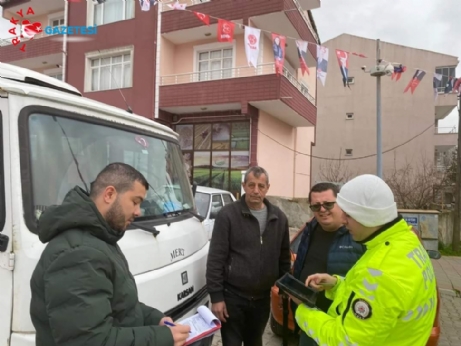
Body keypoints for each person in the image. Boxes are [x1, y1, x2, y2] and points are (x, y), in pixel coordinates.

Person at [30, 163, 191, 346]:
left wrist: (155, 319)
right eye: (135, 202)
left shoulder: (100, 239)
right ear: (109, 194)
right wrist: (163, 338)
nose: (138, 212)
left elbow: (120, 306)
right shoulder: (78, 254)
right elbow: (89, 341)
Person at [292, 174, 437, 346]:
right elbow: (367, 290)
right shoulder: (405, 240)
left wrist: (302, 310)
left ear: (367, 215)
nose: (344, 221)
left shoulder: (381, 272)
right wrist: (336, 285)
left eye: (349, 215)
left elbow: (344, 341)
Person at [206, 166, 291, 346]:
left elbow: (284, 259)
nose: (256, 190)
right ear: (244, 186)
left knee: (255, 342)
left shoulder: (279, 218)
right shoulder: (227, 215)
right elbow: (215, 259)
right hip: (232, 298)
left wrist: (284, 291)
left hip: (261, 300)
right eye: (251, 185)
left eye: (261, 186)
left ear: (268, 188)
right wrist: (216, 297)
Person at [291, 182, 365, 346]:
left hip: (343, 326)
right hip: (310, 321)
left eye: (328, 204)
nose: (322, 210)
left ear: (341, 203)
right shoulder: (310, 230)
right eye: (316, 206)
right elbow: (300, 266)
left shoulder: (358, 233)